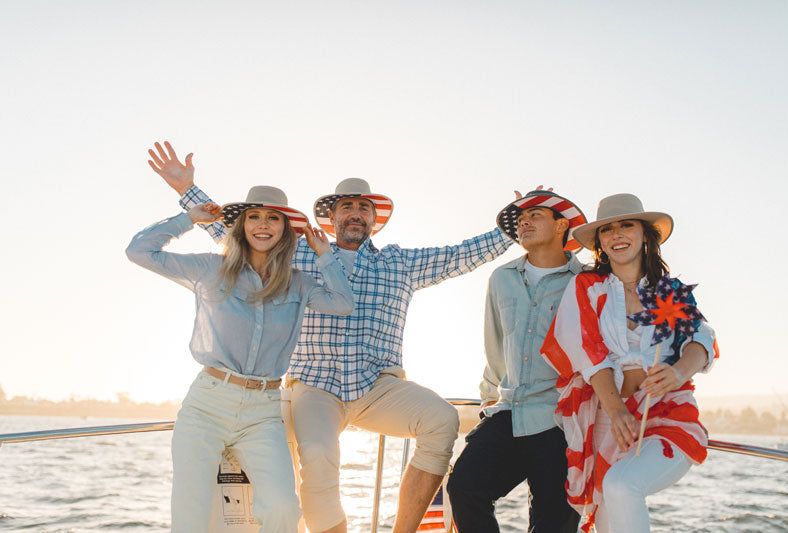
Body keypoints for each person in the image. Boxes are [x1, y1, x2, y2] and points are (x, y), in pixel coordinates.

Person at [147, 141, 514, 533]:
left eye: (364, 208)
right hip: (315, 386)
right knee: (318, 453)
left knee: (442, 420)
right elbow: (236, 229)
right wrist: (186, 189)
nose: (355, 214)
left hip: (379, 385)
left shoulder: (401, 264)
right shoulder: (296, 255)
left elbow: (463, 254)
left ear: (374, 219)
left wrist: (514, 225)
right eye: (347, 207)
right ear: (332, 217)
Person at [126, 184, 354, 533]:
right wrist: (187, 218)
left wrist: (325, 255)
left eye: (273, 218)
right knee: (191, 516)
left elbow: (343, 303)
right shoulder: (210, 268)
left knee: (282, 509)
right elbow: (139, 251)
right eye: (254, 217)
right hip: (207, 405)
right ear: (242, 225)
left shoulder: (298, 283)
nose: (263, 225)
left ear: (285, 229)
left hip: (263, 413)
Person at [540, 193, 718, 533]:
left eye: (626, 225)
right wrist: (618, 410)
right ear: (600, 243)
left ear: (644, 234)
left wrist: (679, 371)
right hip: (610, 418)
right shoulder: (588, 287)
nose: (617, 235)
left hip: (667, 415)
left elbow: (703, 338)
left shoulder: (672, 291)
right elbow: (586, 351)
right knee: (608, 514)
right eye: (607, 230)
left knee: (622, 487)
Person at [447, 189, 585, 533]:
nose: (523, 223)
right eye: (520, 220)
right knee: (463, 488)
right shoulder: (501, 278)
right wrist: (489, 398)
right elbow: (494, 345)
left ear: (561, 226)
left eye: (535, 215)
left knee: (554, 523)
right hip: (507, 413)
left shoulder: (586, 282)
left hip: (561, 420)